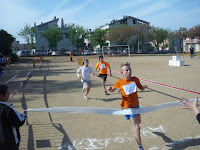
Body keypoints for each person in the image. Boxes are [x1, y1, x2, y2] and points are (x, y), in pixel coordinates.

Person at [107, 62, 148, 150]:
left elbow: (141, 88)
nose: (129, 71)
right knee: (137, 127)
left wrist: (144, 87)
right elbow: (113, 90)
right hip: (128, 108)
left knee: (139, 122)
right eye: (127, 70)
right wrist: (111, 89)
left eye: (130, 70)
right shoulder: (119, 82)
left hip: (136, 105)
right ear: (122, 73)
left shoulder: (135, 79)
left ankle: (133, 123)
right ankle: (140, 147)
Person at [0, 84, 26, 150]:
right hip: (9, 142)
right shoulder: (8, 109)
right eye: (8, 93)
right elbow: (19, 122)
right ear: (1, 96)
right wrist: (23, 115)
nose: (9, 94)